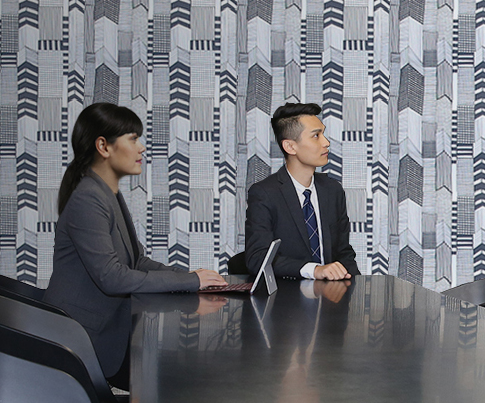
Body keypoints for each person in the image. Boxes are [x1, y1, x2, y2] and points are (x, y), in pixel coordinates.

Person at [44, 102, 226, 386]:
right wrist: (190, 281)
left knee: (196, 371)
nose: (141, 148)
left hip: (110, 332)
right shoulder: (88, 198)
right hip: (85, 341)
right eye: (133, 139)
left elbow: (136, 261)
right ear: (103, 146)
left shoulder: (107, 192)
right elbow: (112, 277)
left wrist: (191, 278)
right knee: (191, 378)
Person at [245, 103, 358, 280]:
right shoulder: (265, 194)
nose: (326, 143)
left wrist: (357, 288)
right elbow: (258, 258)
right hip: (287, 294)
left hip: (332, 293)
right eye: (316, 136)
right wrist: (314, 270)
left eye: (323, 134)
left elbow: (344, 253)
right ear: (290, 147)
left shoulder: (332, 190)